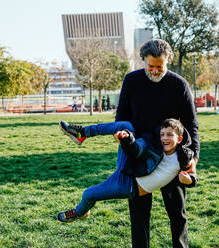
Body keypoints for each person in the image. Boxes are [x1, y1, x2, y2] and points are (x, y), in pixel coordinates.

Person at [116, 39, 199, 248]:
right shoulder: (131, 80)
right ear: (143, 60)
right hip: (139, 156)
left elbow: (191, 124)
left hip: (172, 157)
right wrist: (123, 139)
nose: (154, 71)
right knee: (139, 215)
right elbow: (121, 119)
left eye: (159, 67)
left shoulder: (179, 84)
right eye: (150, 66)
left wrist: (194, 158)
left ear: (168, 61)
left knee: (177, 214)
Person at [57, 119, 197, 223]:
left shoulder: (184, 157)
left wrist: (189, 180)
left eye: (169, 135)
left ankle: (79, 212)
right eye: (162, 134)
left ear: (179, 139)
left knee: (88, 194)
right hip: (130, 165)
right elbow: (138, 148)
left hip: (129, 186)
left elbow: (193, 178)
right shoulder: (155, 144)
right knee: (126, 126)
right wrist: (127, 138)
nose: (165, 138)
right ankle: (82, 133)